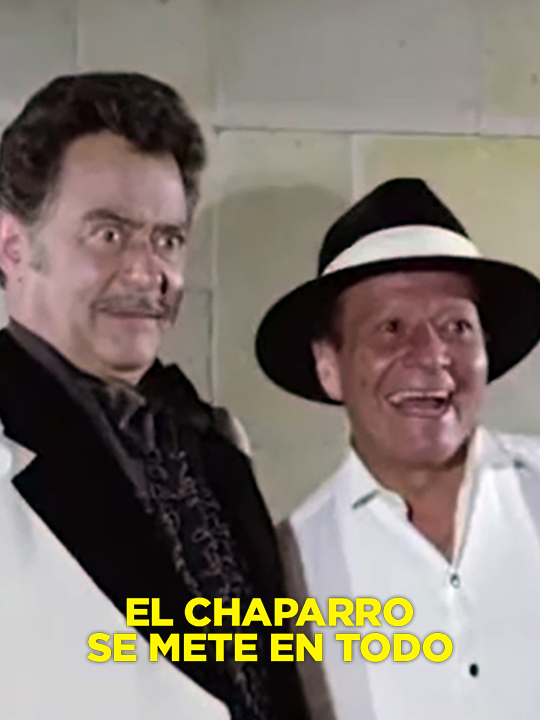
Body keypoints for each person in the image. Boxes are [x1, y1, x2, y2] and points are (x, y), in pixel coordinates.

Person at [0, 72, 307, 720]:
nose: (148, 272)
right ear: (13, 248)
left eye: (167, 239)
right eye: (108, 234)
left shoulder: (212, 443)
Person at [256, 177, 540, 720]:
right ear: (329, 367)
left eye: (457, 326)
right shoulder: (289, 570)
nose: (431, 354)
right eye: (390, 328)